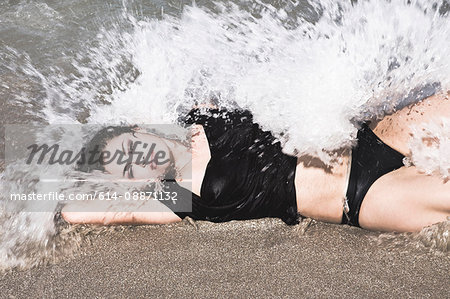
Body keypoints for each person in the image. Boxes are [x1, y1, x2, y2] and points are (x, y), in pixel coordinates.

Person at [61, 93, 450, 232]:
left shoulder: (201, 113)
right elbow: (76, 213)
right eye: (128, 169)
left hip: (370, 137)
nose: (139, 161)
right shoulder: (176, 196)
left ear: (139, 128)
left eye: (130, 148)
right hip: (361, 197)